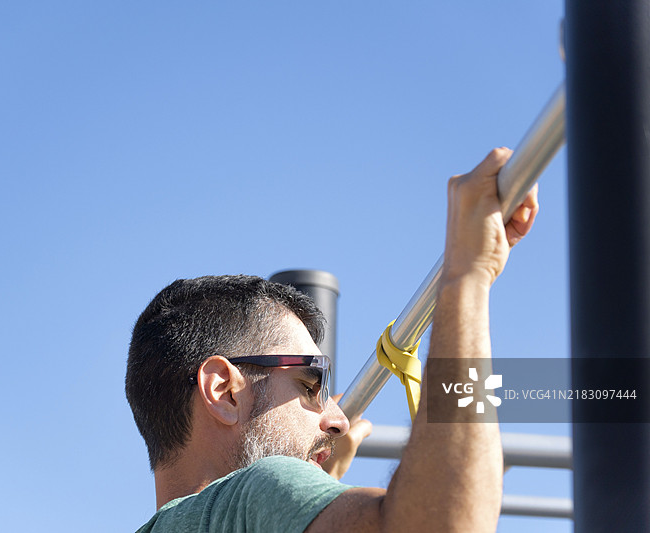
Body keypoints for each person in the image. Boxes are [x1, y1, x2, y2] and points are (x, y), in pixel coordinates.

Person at [126, 148, 539, 532]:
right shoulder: (258, 490)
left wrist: (317, 500)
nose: (338, 421)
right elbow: (444, 523)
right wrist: (467, 275)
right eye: (308, 386)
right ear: (223, 392)